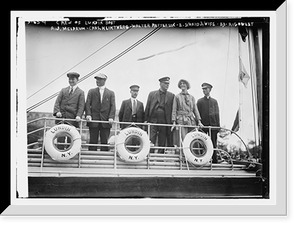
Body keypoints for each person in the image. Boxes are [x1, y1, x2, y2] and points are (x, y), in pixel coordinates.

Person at [53, 72, 85, 149]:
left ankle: (70, 156)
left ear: (77, 80)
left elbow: (81, 106)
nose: (71, 81)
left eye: (73, 79)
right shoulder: (63, 90)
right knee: (60, 137)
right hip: (62, 118)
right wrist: (57, 112)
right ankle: (60, 154)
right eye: (70, 79)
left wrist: (78, 115)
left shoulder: (80, 92)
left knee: (71, 138)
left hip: (72, 119)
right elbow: (57, 102)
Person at [85, 73, 116, 151]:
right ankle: (91, 159)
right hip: (93, 120)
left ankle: (104, 160)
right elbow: (87, 104)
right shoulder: (91, 91)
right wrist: (88, 114)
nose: (97, 81)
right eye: (96, 79)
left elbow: (113, 106)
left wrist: (111, 117)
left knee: (104, 141)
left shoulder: (110, 93)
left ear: (104, 81)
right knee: (92, 141)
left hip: (105, 121)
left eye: (99, 79)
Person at [144, 76, 175, 153]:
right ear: (160, 84)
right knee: (151, 139)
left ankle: (160, 157)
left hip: (164, 120)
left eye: (168, 84)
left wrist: (172, 122)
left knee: (162, 140)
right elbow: (147, 107)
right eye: (165, 83)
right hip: (153, 119)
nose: (167, 85)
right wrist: (145, 120)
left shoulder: (171, 96)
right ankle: (149, 156)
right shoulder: (152, 94)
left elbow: (173, 109)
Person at [171, 79, 203, 144]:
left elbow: (195, 110)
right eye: (181, 84)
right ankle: (183, 153)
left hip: (191, 120)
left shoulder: (192, 97)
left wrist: (199, 121)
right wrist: (173, 122)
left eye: (184, 83)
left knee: (193, 138)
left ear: (187, 85)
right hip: (181, 120)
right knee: (184, 138)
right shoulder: (177, 97)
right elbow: (174, 110)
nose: (182, 85)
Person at [196, 82, 220, 163]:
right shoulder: (200, 101)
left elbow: (217, 114)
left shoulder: (214, 101)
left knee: (213, 143)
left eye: (206, 89)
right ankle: (203, 160)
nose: (204, 90)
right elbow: (197, 114)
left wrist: (218, 126)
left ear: (210, 89)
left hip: (213, 126)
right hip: (203, 126)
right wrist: (198, 124)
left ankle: (214, 160)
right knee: (202, 143)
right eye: (203, 89)